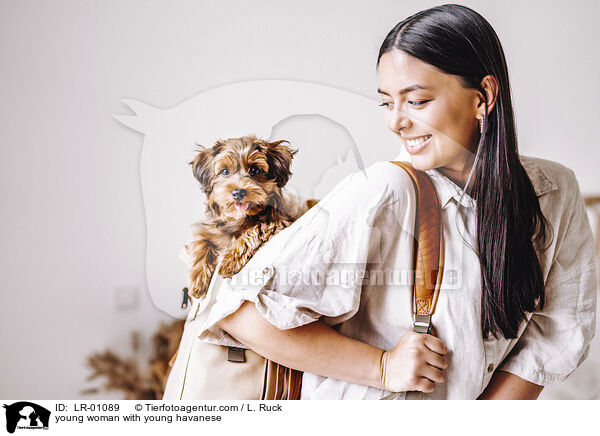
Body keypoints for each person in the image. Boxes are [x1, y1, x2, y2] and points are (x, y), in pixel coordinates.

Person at [166, 4, 597, 400]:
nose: (396, 121)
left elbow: (550, 336)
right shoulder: (385, 190)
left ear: (482, 96)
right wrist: (384, 366)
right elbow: (239, 311)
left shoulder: (554, 192)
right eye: (387, 102)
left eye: (417, 100)